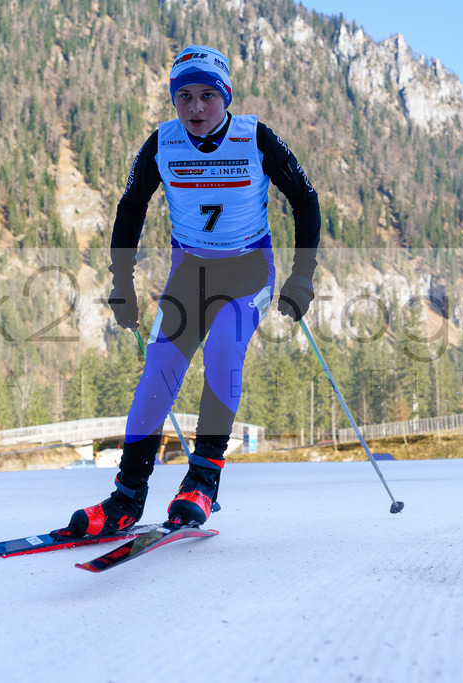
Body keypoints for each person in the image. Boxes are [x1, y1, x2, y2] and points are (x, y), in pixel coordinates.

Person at [54, 45, 320, 536]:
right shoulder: (162, 143)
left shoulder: (254, 138)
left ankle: (202, 482)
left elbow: (304, 198)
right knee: (159, 370)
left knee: (223, 347)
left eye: (206, 96)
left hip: (247, 272)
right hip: (189, 273)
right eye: (183, 97)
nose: (195, 107)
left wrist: (302, 274)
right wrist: (120, 282)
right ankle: (125, 498)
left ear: (226, 97)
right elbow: (131, 208)